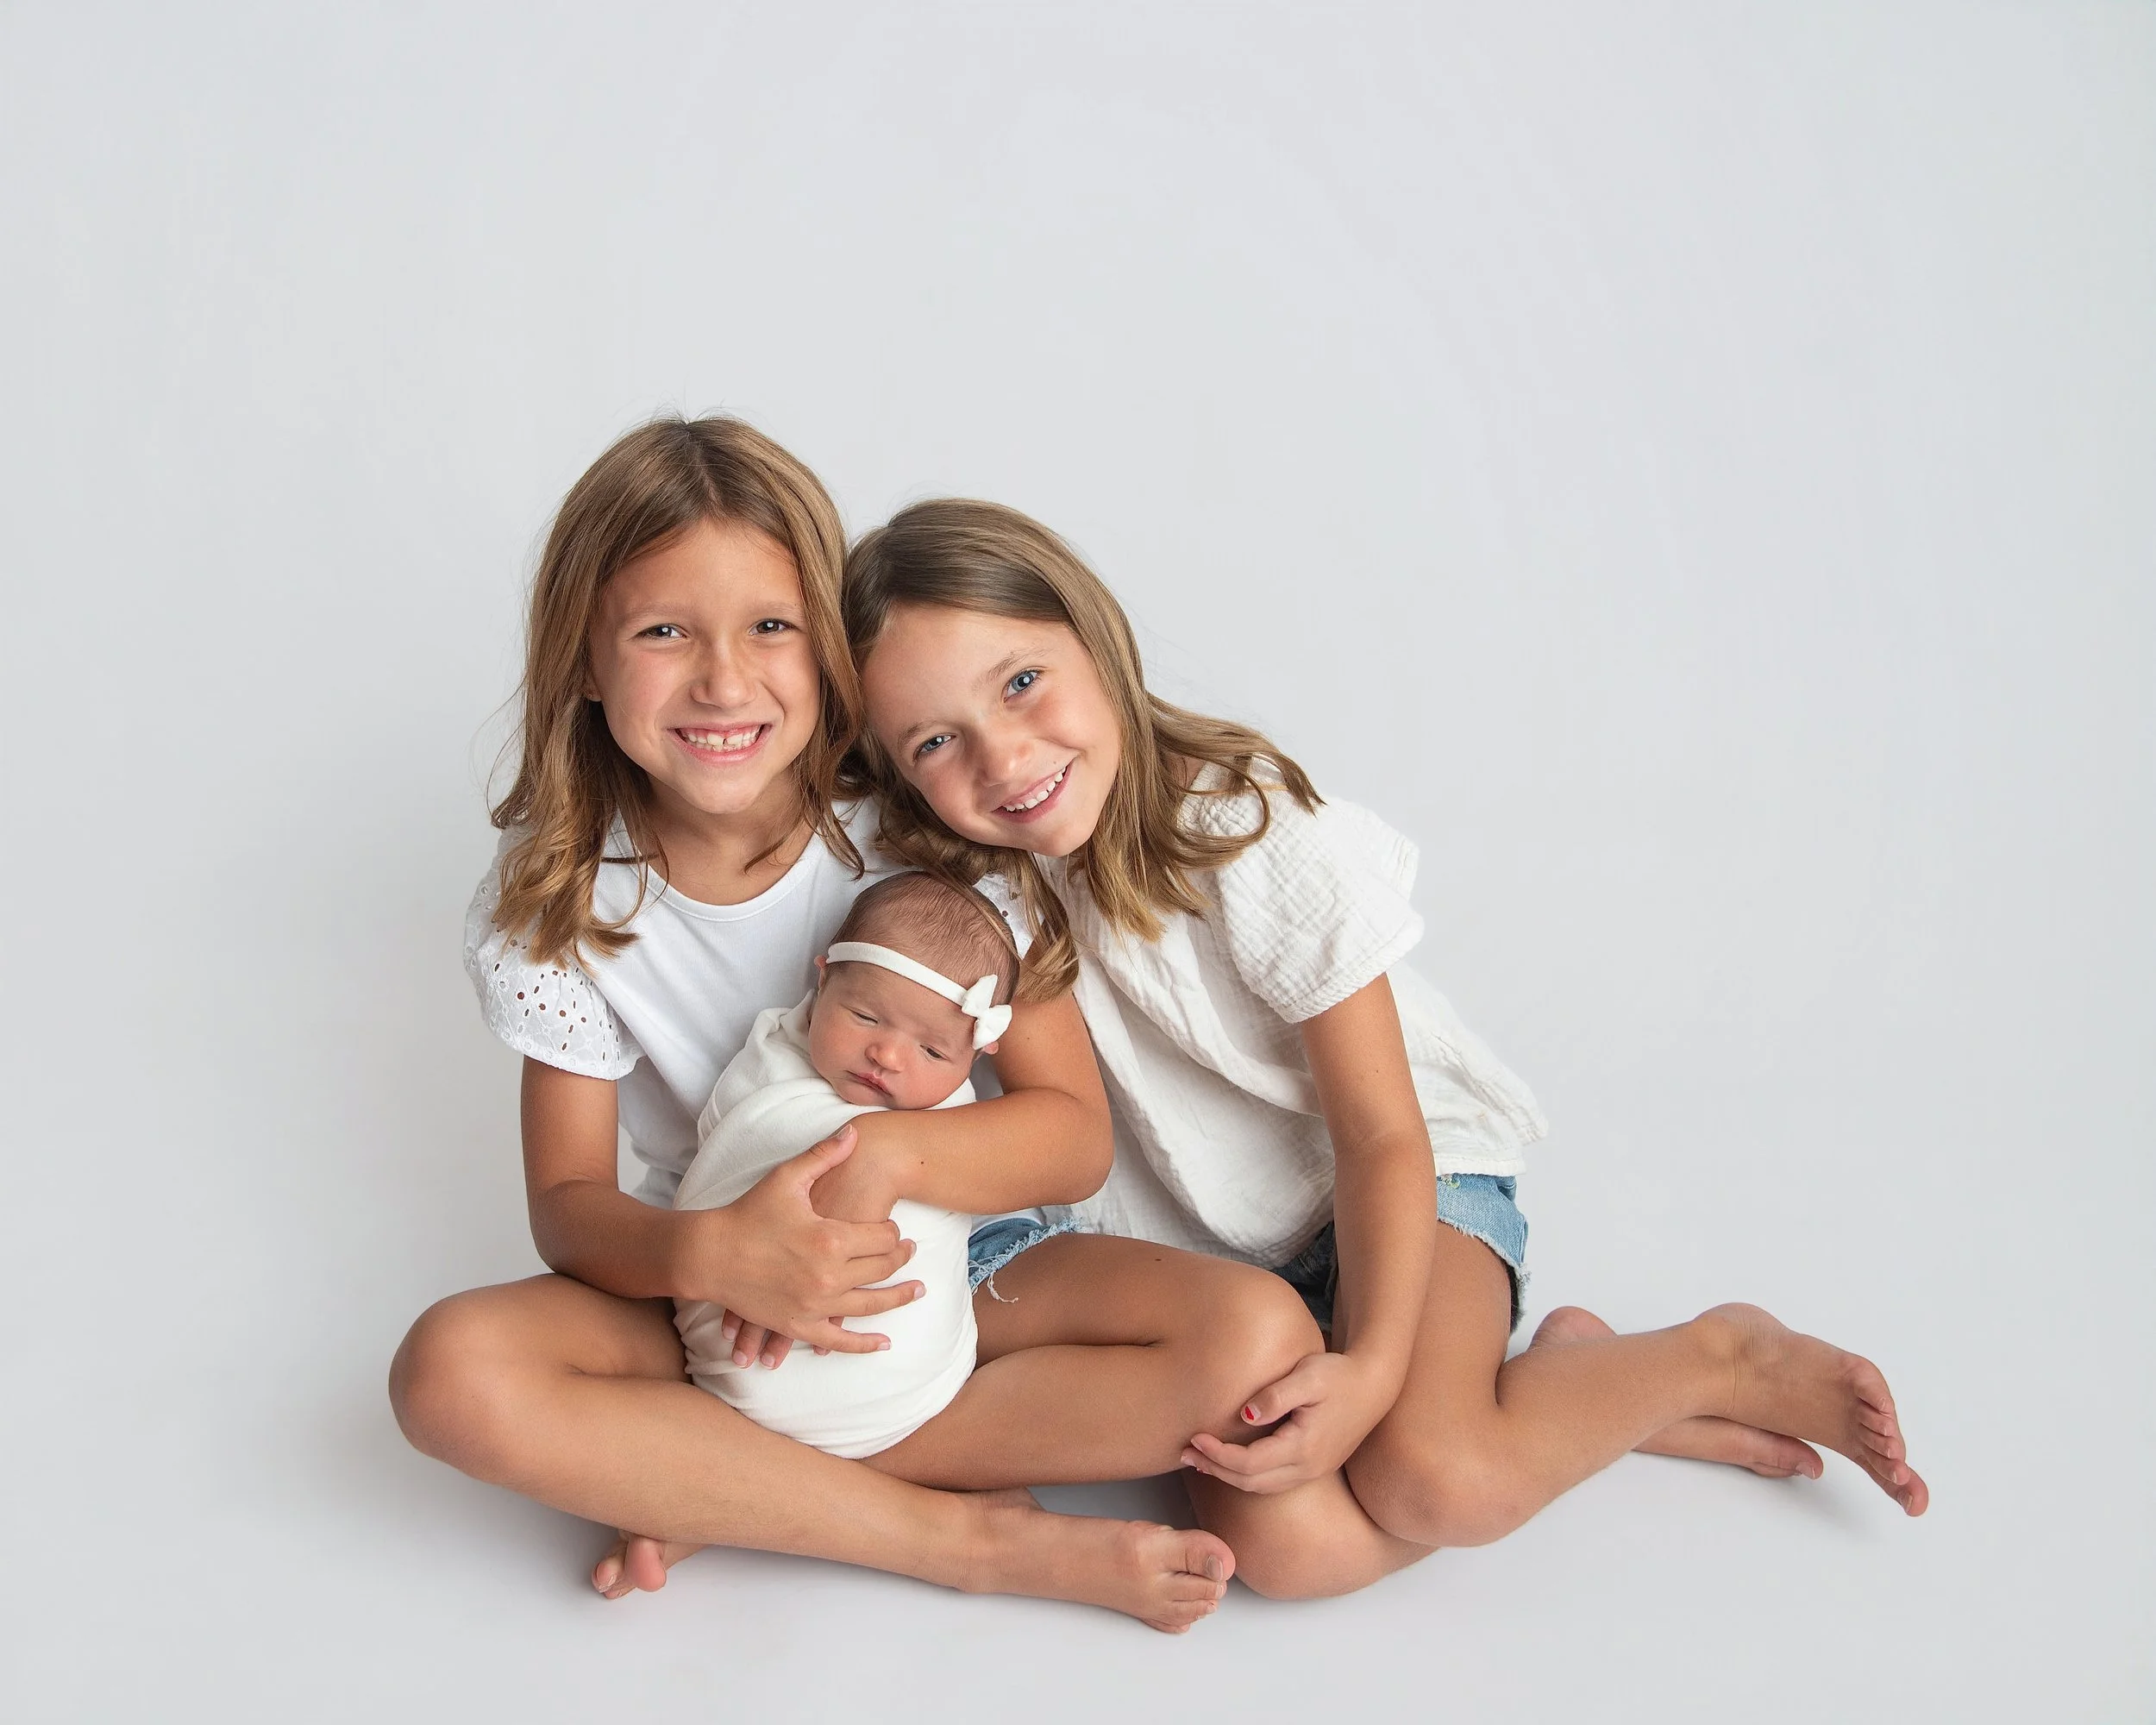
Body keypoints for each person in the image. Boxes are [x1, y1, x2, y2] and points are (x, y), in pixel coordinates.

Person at [838, 499, 1931, 1598]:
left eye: (1021, 682)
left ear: (1093, 634)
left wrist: (1367, 1370)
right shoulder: (982, 900)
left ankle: (1707, 1356)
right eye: (936, 740)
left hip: (1406, 1182)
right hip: (1231, 1268)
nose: (1004, 755)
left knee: (1437, 1479)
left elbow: (1379, 1133)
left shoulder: (1248, 832)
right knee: (1287, 1550)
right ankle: (1558, 1392)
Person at [389, 416, 1331, 1632]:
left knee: (1255, 1330)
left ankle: (716, 1486)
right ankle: (959, 1538)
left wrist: (894, 1162)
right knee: (450, 1373)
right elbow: (570, 1211)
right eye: (663, 631)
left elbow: (1068, 1138)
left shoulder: (919, 838)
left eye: (771, 627)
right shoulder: (565, 908)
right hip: (711, 1294)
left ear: (829, 650)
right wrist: (714, 1256)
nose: (724, 681)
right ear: (582, 658)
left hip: (965, 1269)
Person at [672, 870, 1024, 1456]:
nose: (886, 1054)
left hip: (906, 1388)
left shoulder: (961, 1117)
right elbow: (722, 1154)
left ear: (978, 1054)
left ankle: (799, 1488)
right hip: (739, 1345)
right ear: (823, 980)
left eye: (933, 1050)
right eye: (865, 1017)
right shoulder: (770, 1058)